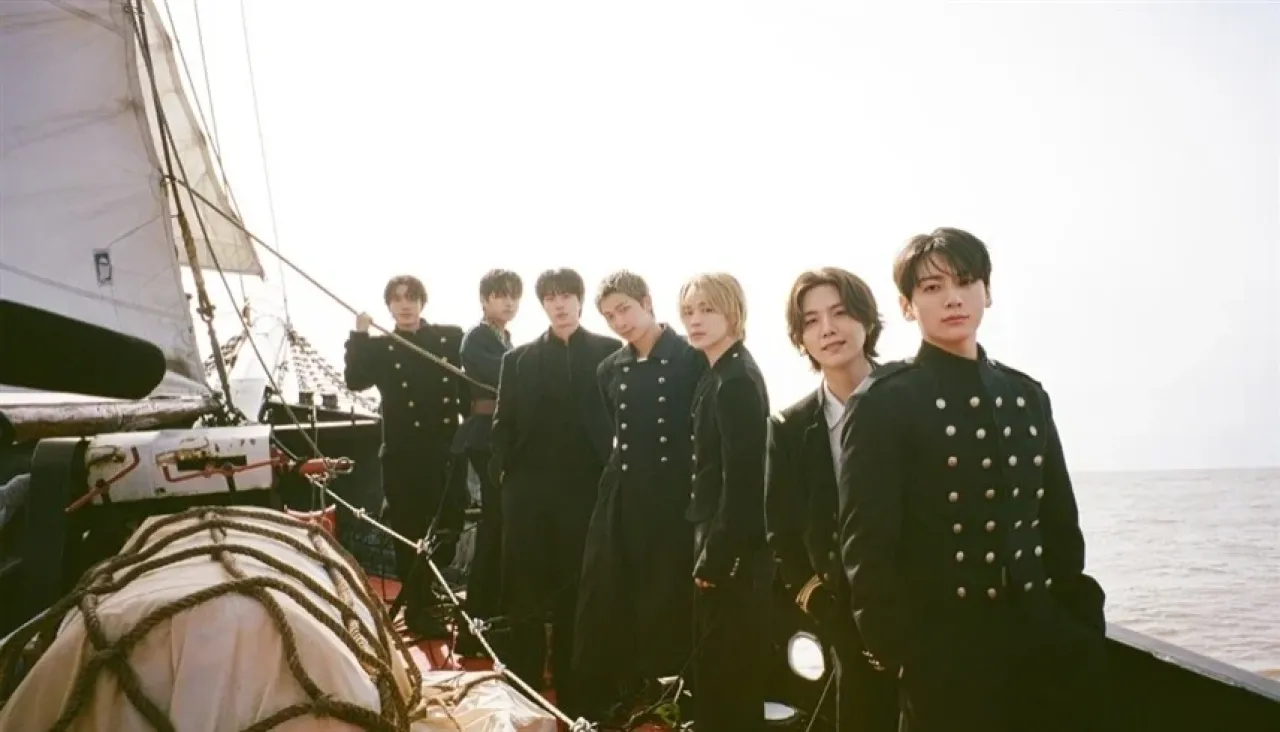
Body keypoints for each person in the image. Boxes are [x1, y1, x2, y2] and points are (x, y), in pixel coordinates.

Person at [838, 228, 1108, 732]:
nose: (953, 298)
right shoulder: (884, 401)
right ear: (907, 305)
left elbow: (1059, 526)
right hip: (944, 655)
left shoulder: (1026, 395)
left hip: (1043, 642)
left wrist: (1080, 621)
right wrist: (900, 653)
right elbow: (867, 545)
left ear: (987, 291)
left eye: (966, 281)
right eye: (932, 287)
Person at [765, 267, 899, 731]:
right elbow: (782, 533)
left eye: (840, 313)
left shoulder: (912, 397)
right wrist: (824, 606)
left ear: (867, 319)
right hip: (846, 622)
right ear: (800, 338)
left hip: (925, 616)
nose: (828, 329)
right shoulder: (789, 427)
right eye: (811, 320)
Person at [573, 271, 704, 719]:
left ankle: (673, 696)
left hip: (676, 494)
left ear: (647, 301)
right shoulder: (609, 369)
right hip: (624, 492)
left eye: (625, 309)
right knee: (611, 591)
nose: (619, 322)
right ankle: (622, 692)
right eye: (610, 316)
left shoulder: (691, 358)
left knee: (667, 594)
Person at [488, 268, 620, 712]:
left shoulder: (610, 354)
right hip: (528, 493)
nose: (559, 304)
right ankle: (524, 698)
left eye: (566, 296)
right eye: (550, 297)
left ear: (580, 301)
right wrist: (503, 478)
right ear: (542, 304)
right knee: (523, 596)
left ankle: (579, 699)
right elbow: (502, 428)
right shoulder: (518, 360)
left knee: (579, 597)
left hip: (586, 492)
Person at [344, 275, 471, 637]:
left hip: (446, 450)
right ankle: (418, 609)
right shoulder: (382, 348)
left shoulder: (449, 338)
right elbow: (355, 380)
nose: (405, 304)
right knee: (408, 531)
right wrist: (359, 336)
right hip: (404, 455)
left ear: (421, 302)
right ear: (389, 306)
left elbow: (469, 383)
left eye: (411, 297)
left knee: (449, 525)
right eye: (397, 299)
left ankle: (428, 590)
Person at [679, 272, 771, 732]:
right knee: (715, 672)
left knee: (728, 672)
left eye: (707, 309)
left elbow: (744, 481)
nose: (695, 320)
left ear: (733, 312)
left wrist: (716, 557)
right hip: (714, 537)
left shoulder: (735, 380)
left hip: (731, 552)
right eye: (688, 312)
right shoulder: (716, 373)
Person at [453, 269, 522, 652]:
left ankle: (492, 613)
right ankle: (476, 620)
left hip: (501, 436)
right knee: (495, 524)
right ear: (484, 300)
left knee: (501, 523)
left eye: (514, 296)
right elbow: (506, 375)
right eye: (500, 295)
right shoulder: (476, 339)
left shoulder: (504, 339)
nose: (509, 302)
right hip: (485, 437)